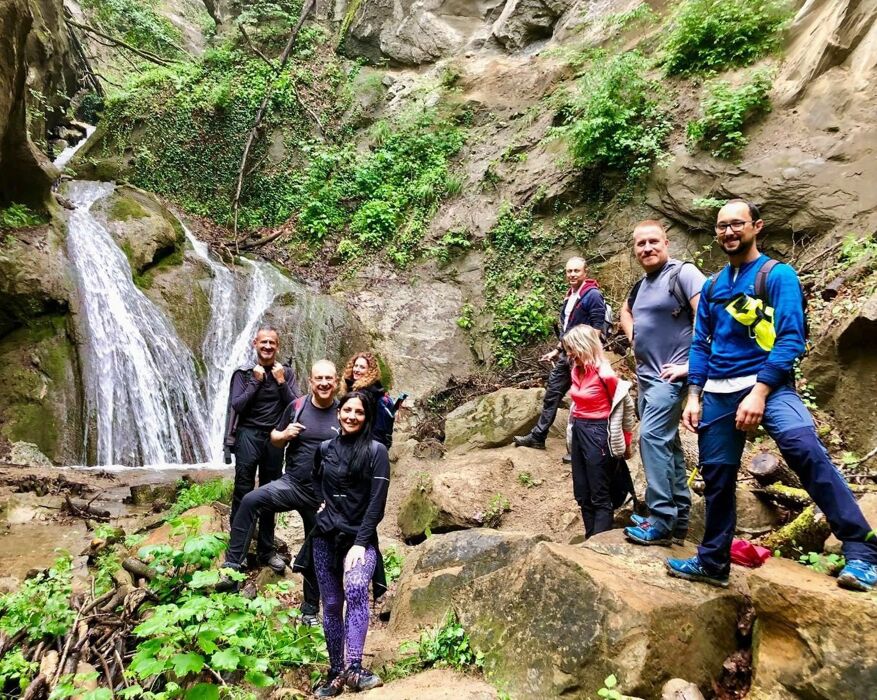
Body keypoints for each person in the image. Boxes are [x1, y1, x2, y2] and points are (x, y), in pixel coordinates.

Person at [667, 199, 877, 591]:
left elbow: (791, 338)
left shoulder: (778, 276)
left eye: (737, 224)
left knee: (803, 448)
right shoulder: (713, 285)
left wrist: (759, 391)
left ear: (756, 227)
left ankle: (863, 552)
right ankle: (713, 560)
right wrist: (693, 394)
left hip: (769, 384)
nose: (729, 232)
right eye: (722, 226)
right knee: (717, 476)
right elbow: (701, 344)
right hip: (717, 391)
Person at [216, 360, 340, 624]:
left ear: (336, 381)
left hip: (322, 497)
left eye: (329, 378)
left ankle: (309, 610)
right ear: (311, 381)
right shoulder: (297, 406)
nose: (324, 383)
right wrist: (284, 435)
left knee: (316, 548)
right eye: (319, 378)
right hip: (292, 485)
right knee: (250, 500)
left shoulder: (344, 413)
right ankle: (232, 568)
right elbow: (273, 436)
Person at [620, 221, 706, 546]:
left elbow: (709, 318)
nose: (647, 248)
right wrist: (633, 338)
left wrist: (689, 366)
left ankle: (660, 519)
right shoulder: (641, 285)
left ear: (666, 242)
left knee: (652, 438)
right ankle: (680, 519)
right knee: (669, 447)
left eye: (653, 241)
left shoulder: (683, 273)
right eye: (640, 244)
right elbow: (625, 313)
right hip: (645, 380)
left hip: (668, 380)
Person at [311, 391, 390, 697]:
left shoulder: (376, 451)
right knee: (330, 604)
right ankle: (335, 672)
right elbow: (314, 480)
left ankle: (354, 667)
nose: (351, 416)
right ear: (339, 413)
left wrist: (360, 542)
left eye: (358, 412)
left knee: (356, 587)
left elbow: (377, 503)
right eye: (347, 410)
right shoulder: (325, 448)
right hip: (324, 537)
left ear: (366, 417)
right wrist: (320, 503)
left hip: (360, 539)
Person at [225, 326, 300, 571]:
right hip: (248, 434)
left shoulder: (285, 373)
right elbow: (237, 405)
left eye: (272, 343)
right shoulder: (244, 374)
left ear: (277, 347)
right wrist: (255, 383)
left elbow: (296, 405)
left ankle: (267, 550)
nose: (267, 346)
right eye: (263, 342)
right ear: (254, 344)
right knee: (242, 490)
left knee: (270, 493)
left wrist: (280, 382)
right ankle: (238, 552)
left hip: (275, 438)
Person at [514, 256, 607, 452]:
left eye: (576, 271)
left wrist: (584, 355)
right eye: (569, 271)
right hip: (567, 356)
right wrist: (557, 350)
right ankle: (538, 437)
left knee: (581, 401)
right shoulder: (570, 296)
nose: (572, 274)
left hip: (583, 358)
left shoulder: (593, 295)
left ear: (585, 272)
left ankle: (577, 448)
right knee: (552, 394)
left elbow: (598, 328)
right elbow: (568, 329)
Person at [563, 324, 635, 538]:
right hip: (579, 430)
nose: (568, 354)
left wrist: (626, 443)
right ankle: (589, 537)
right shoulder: (577, 368)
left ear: (584, 346)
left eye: (571, 349)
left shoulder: (606, 374)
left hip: (599, 433)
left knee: (599, 494)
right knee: (582, 493)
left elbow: (625, 409)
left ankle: (598, 543)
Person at [341, 352, 395, 448]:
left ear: (370, 371)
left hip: (363, 445)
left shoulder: (369, 393)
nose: (356, 370)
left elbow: (377, 430)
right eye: (355, 366)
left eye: (362, 367)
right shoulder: (355, 388)